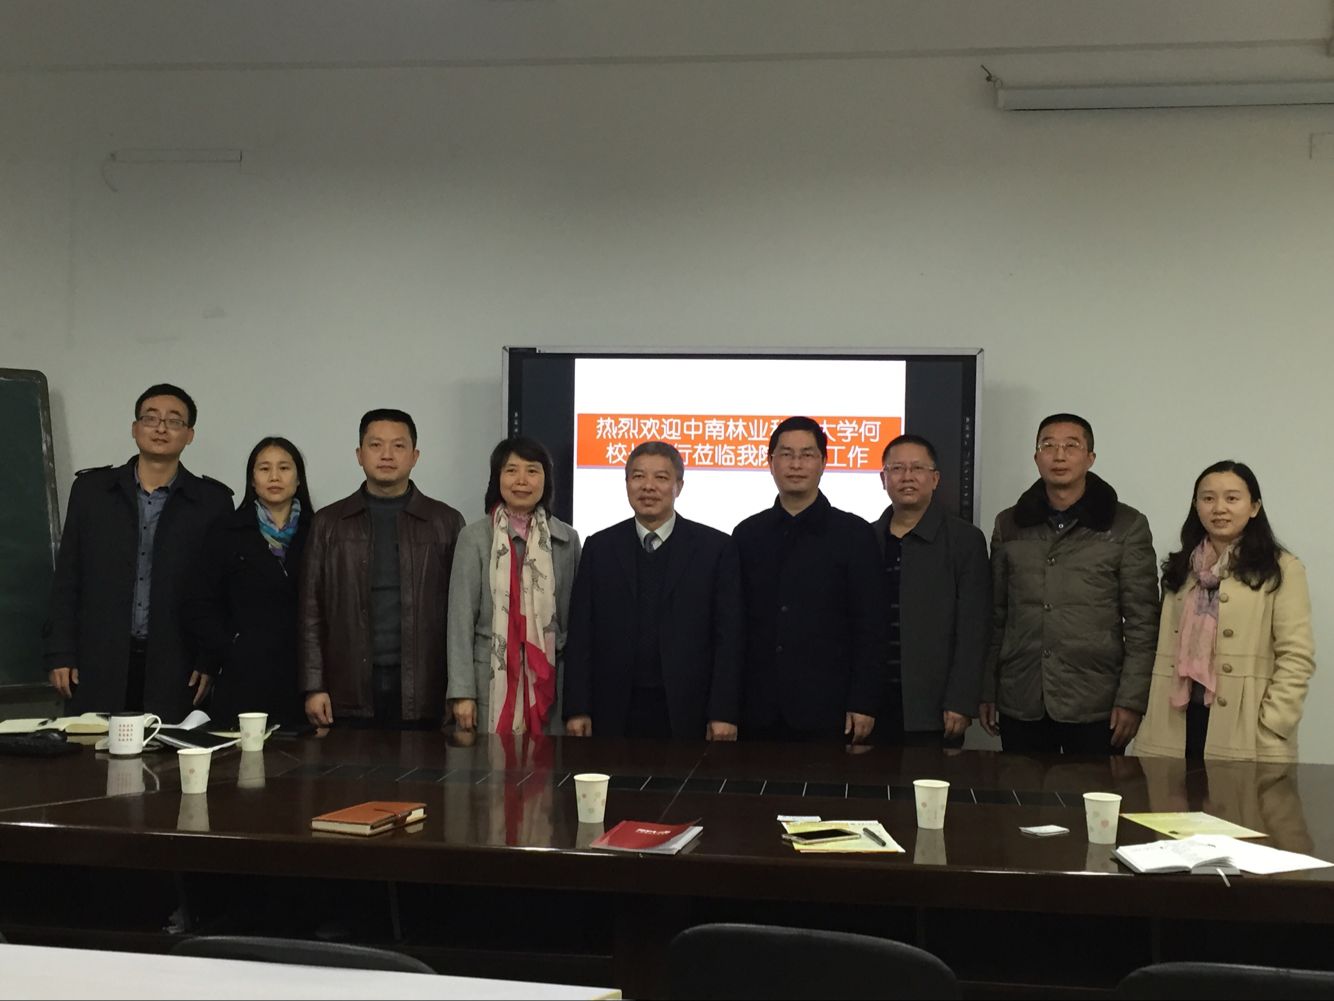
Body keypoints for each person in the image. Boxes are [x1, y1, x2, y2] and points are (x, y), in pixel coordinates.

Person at [44, 383, 232, 720]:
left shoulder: (212, 502)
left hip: (177, 663)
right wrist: (60, 651)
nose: (161, 428)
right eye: (151, 418)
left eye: (174, 421)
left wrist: (210, 658)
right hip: (98, 658)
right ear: (134, 428)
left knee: (169, 751)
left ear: (189, 434)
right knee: (91, 750)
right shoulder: (92, 492)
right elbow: (68, 577)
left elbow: (219, 591)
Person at [980, 413, 1158, 755]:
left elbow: (1142, 623)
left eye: (1071, 446)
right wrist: (988, 689)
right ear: (1036, 457)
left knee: (1093, 790)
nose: (1059, 455)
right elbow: (996, 615)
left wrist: (1132, 700)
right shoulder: (1009, 524)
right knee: (1019, 789)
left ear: (1090, 457)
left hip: (1095, 699)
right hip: (1022, 694)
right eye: (1048, 445)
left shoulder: (1126, 525)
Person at [563, 441, 743, 740]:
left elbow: (729, 637)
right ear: (626, 483)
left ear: (679, 486)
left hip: (690, 709)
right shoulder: (600, 547)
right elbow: (582, 633)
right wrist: (577, 708)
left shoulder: (715, 548)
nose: (648, 487)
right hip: (613, 709)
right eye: (638, 476)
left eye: (661, 477)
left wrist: (723, 712)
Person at [1136, 461, 1315, 762]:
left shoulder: (1281, 569)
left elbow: (1296, 655)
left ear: (1254, 507)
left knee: (1239, 795)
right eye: (1208, 498)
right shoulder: (1182, 568)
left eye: (1232, 498)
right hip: (1174, 721)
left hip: (1245, 726)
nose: (1219, 508)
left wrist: (1275, 722)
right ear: (1196, 506)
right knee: (1168, 793)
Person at [299, 409, 464, 729]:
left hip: (426, 686)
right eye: (375, 445)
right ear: (359, 455)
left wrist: (459, 690)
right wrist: (314, 685)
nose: (387, 455)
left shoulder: (445, 522)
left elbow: (462, 615)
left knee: (423, 763)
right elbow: (310, 610)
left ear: (415, 456)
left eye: (398, 446)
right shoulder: (328, 523)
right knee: (349, 764)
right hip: (348, 685)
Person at [733, 417, 885, 743]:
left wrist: (864, 701)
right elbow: (734, 626)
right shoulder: (747, 535)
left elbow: (871, 625)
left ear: (824, 462)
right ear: (770, 463)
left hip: (830, 709)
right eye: (786, 454)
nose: (796, 464)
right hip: (757, 708)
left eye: (807, 454)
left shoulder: (854, 534)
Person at [446, 437, 581, 736]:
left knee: (549, 764)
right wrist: (462, 692)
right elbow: (460, 621)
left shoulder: (567, 539)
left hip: (550, 684)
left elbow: (576, 624)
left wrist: (578, 698)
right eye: (511, 470)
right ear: (497, 478)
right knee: (491, 764)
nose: (522, 480)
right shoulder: (474, 538)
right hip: (489, 682)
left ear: (546, 479)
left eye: (532, 471)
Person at [870, 434, 990, 747]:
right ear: (883, 479)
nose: (907, 477)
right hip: (873, 704)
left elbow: (974, 629)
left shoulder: (965, 540)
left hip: (935, 706)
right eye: (897, 469)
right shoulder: (866, 539)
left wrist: (961, 700)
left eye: (917, 468)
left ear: (935, 479)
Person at [184, 437, 313, 728]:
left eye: (284, 468)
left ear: (298, 479)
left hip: (302, 676)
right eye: (264, 469)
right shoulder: (227, 530)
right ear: (252, 480)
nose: (274, 477)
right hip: (243, 673)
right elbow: (199, 602)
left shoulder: (319, 530)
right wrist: (228, 647)